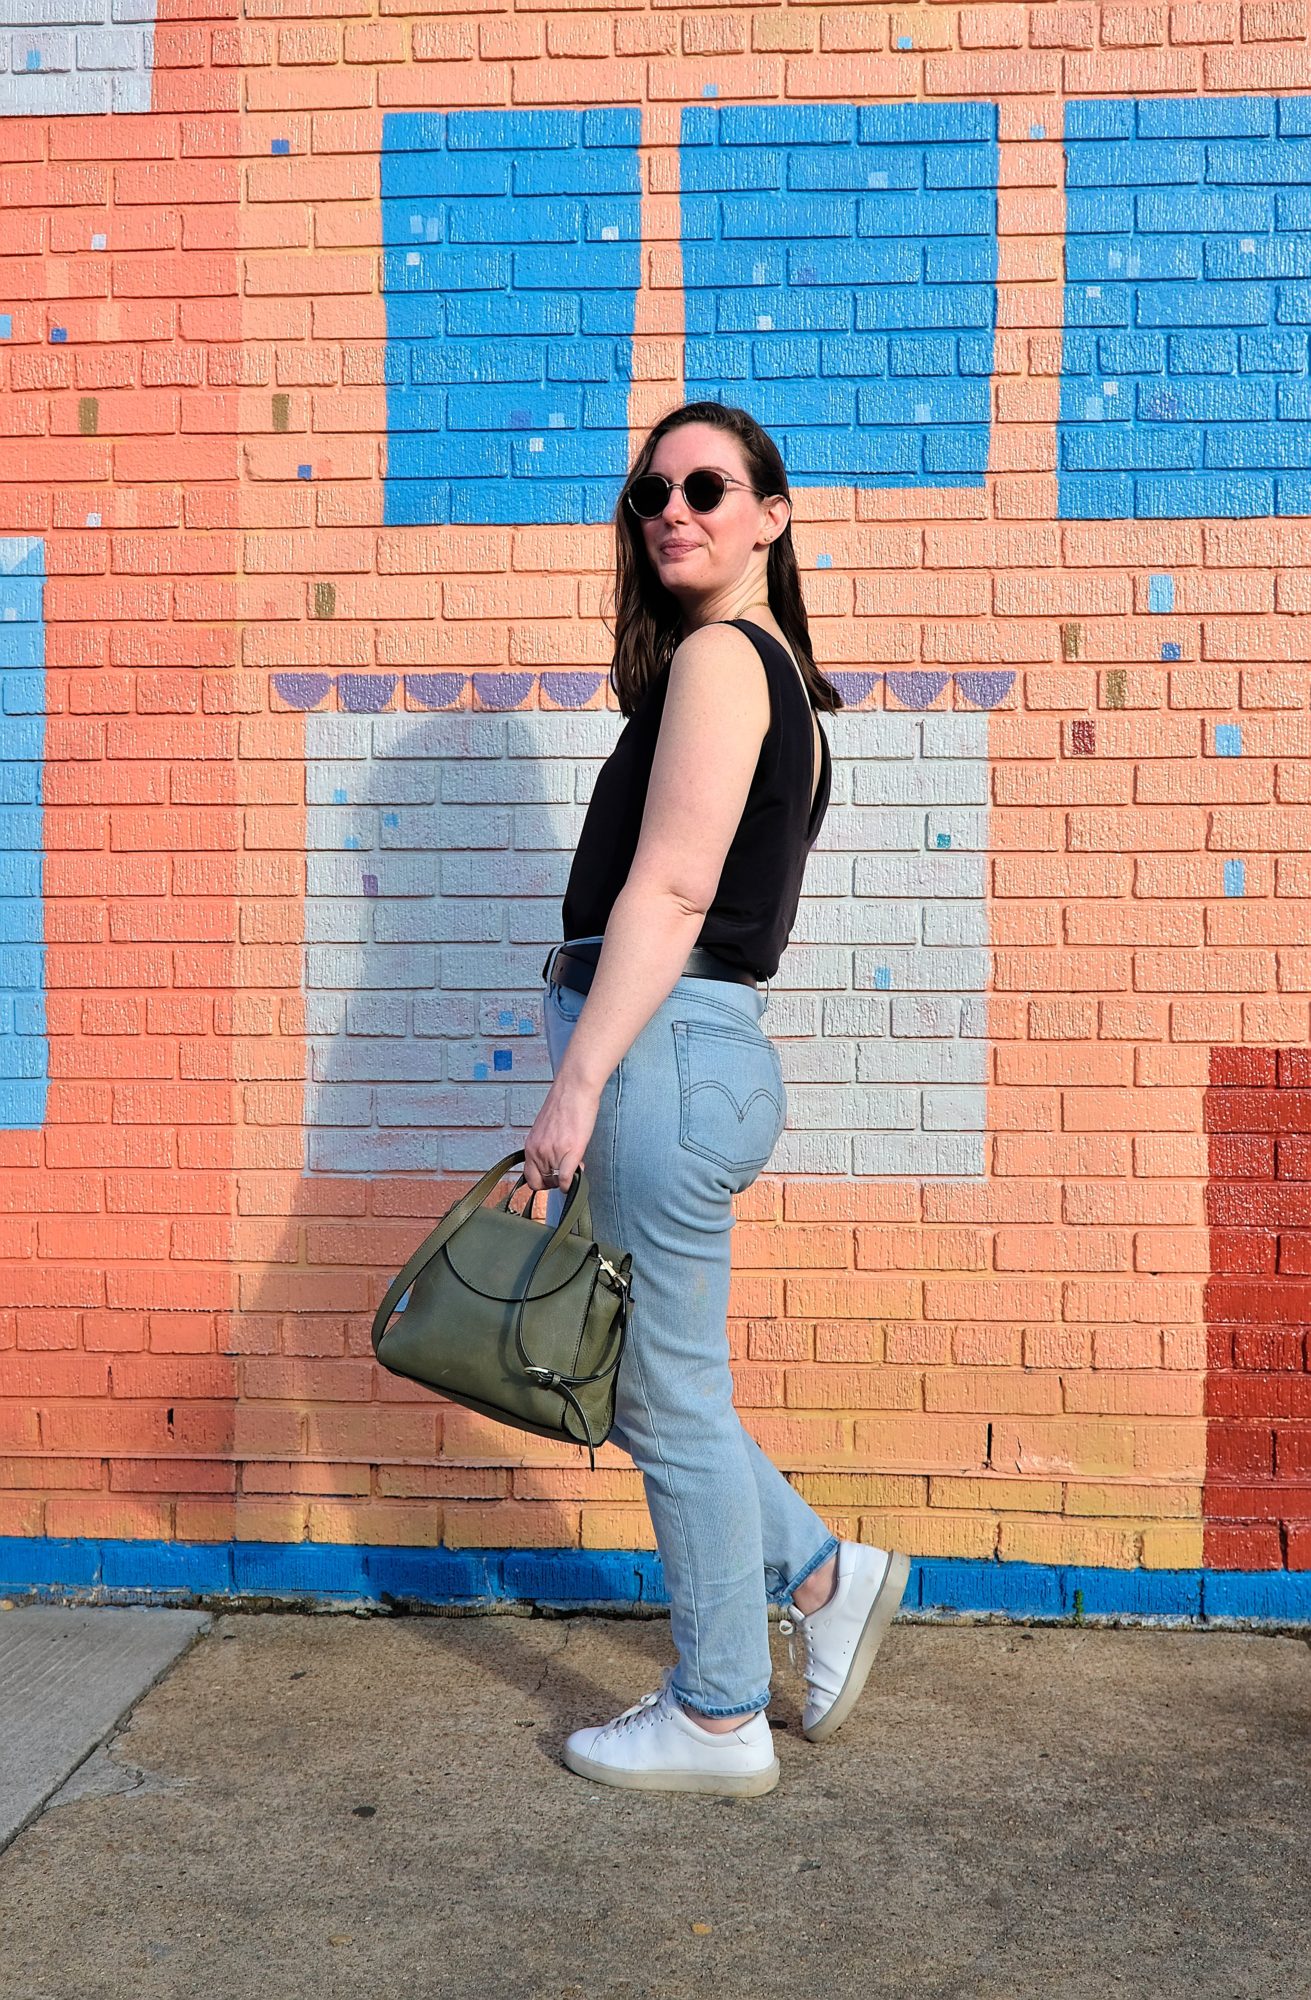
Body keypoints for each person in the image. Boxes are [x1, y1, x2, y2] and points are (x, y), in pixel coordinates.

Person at [524, 400, 910, 1797]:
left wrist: (572, 1092)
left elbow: (676, 890)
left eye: (708, 485)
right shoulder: (774, 677)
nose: (673, 509)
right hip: (694, 1059)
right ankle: (819, 1576)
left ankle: (717, 1710)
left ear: (772, 514)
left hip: (661, 1061)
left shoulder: (723, 662)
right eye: (652, 493)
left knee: (666, 1393)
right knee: (657, 1383)